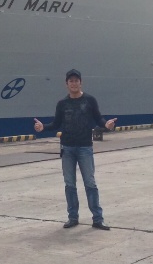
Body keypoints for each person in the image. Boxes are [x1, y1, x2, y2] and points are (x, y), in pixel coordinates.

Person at [34, 69, 117, 230]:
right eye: (70, 81)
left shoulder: (89, 100)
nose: (73, 83)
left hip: (85, 147)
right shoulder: (62, 104)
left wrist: (107, 125)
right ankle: (73, 217)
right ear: (66, 84)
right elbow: (56, 124)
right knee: (70, 184)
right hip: (68, 148)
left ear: (81, 82)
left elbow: (98, 118)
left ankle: (98, 219)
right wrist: (43, 127)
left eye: (76, 80)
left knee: (90, 183)